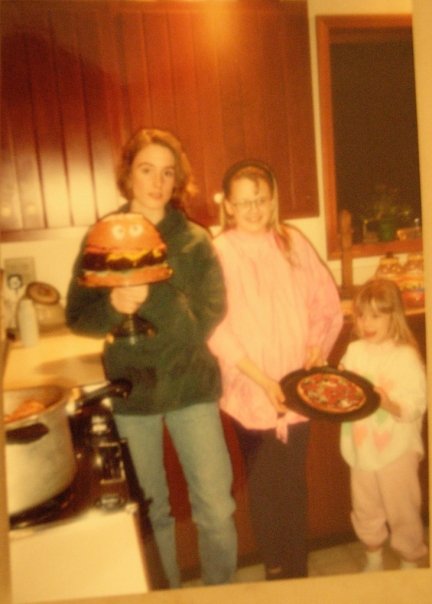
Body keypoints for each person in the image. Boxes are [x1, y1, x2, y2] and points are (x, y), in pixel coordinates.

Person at [66, 128, 237, 588]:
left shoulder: (194, 240)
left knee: (216, 508)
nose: (158, 183)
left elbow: (209, 315)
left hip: (190, 385)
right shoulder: (103, 236)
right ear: (129, 175)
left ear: (177, 179)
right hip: (132, 390)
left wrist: (155, 292)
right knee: (149, 509)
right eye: (147, 170)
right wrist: (112, 306)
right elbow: (78, 316)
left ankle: (221, 592)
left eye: (167, 173)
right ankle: (164, 594)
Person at [208, 159, 343, 580]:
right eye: (243, 202)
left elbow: (325, 302)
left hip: (297, 387)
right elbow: (215, 326)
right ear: (228, 206)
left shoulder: (291, 241)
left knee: (293, 483)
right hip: (250, 389)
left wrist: (316, 347)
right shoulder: (219, 251)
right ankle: (275, 567)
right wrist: (262, 380)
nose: (253, 209)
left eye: (260, 200)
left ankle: (297, 568)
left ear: (272, 201)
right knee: (264, 486)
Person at [339, 279, 428, 572]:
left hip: (397, 450)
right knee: (365, 506)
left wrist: (388, 403)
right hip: (361, 446)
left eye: (376, 316)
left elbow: (416, 404)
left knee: (402, 508)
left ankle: (409, 559)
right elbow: (343, 392)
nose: (367, 323)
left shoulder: (405, 356)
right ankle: (373, 557)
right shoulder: (354, 351)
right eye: (361, 315)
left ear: (394, 316)